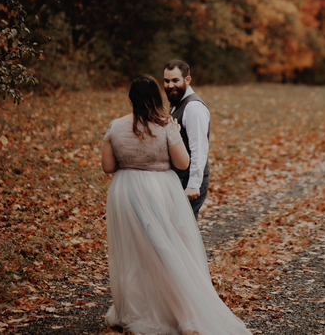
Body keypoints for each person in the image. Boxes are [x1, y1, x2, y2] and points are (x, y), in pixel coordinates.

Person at [102, 74, 252, 335]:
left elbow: (108, 167)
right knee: (167, 248)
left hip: (124, 191)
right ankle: (178, 310)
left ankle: (136, 309)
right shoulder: (166, 126)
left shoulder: (115, 127)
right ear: (156, 97)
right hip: (159, 189)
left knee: (133, 253)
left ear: (130, 99)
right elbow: (182, 163)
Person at [163, 60, 210, 219]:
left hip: (189, 181)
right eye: (167, 81)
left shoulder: (193, 107)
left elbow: (199, 148)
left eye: (175, 80)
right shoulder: (176, 103)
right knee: (179, 232)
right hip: (179, 179)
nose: (170, 85)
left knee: (183, 233)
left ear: (187, 80)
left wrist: (193, 185)